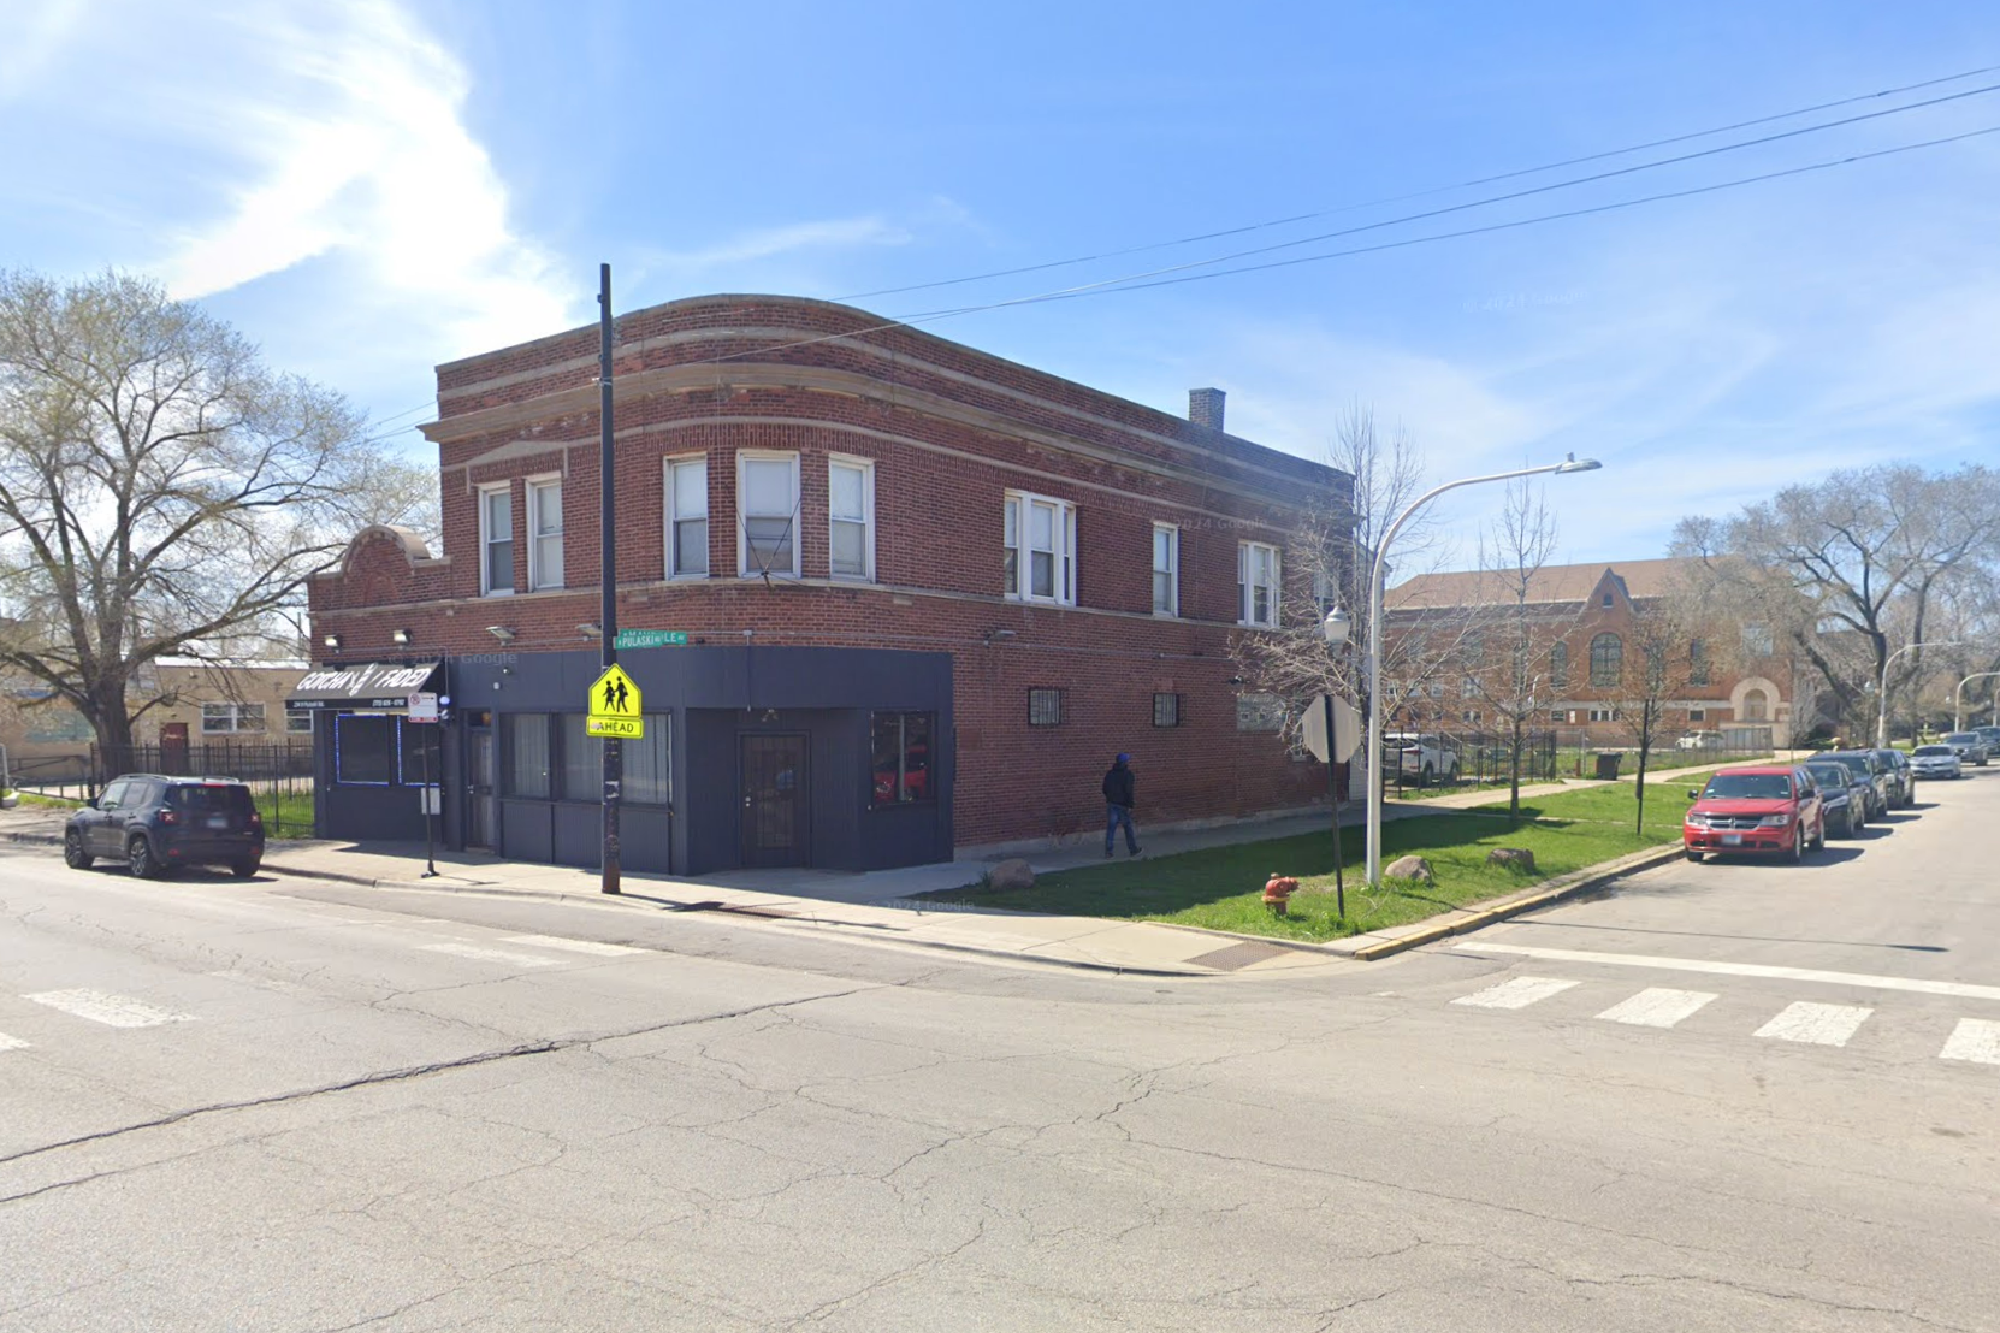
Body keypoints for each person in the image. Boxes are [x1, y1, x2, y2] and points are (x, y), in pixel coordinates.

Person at [1101, 752, 1140, 857]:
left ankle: (1108, 851)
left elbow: (1104, 789)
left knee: (1111, 828)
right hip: (1123, 805)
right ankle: (1133, 849)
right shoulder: (1128, 774)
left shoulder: (1110, 773)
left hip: (1111, 803)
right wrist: (1131, 804)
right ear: (1126, 762)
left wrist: (1110, 797)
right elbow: (1129, 791)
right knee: (1128, 828)